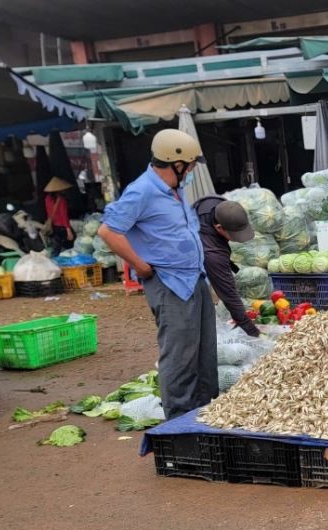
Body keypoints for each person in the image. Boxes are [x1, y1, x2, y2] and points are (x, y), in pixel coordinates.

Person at [97, 129, 216, 420]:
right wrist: (140, 265)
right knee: (180, 357)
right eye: (188, 166)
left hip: (194, 280)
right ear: (175, 163)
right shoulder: (143, 190)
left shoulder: (175, 189)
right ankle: (179, 424)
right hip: (170, 283)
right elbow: (108, 231)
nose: (190, 172)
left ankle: (207, 416)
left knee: (205, 355)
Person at [193, 196, 259, 338]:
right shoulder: (212, 254)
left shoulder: (215, 205)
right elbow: (229, 294)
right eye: (235, 235)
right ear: (219, 227)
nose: (237, 239)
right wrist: (252, 331)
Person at [43, 177, 75, 252]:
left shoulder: (47, 198)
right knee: (69, 247)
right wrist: (68, 230)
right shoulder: (61, 200)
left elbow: (48, 212)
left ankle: (55, 261)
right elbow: (64, 215)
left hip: (53, 226)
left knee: (57, 247)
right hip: (62, 227)